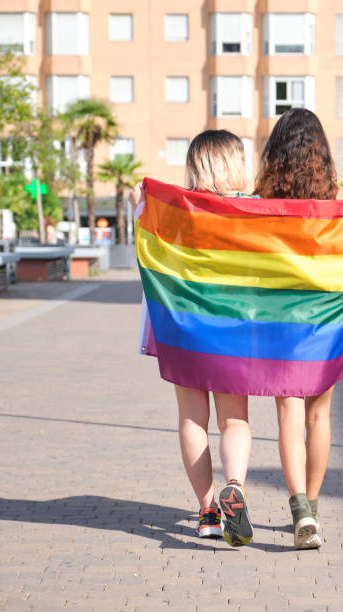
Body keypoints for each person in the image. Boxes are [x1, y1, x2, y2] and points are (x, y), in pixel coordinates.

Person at [129, 130, 255, 546]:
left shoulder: (173, 210)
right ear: (236, 163)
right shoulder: (255, 211)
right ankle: (233, 484)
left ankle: (207, 511)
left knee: (191, 418)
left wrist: (139, 208)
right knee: (234, 419)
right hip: (236, 327)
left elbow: (147, 257)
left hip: (184, 327)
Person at [254, 108, 343, 549]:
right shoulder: (338, 200)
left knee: (288, 413)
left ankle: (298, 511)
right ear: (320, 152)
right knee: (320, 415)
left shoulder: (260, 204)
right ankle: (311, 507)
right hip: (326, 320)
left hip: (280, 321)